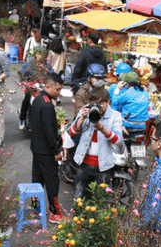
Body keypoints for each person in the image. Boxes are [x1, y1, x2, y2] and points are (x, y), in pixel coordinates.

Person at [68, 87, 124, 200]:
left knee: (100, 202)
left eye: (101, 103)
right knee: (79, 199)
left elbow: (118, 140)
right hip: (83, 164)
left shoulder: (115, 116)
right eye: (95, 103)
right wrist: (82, 117)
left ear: (108, 102)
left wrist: (102, 128)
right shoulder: (86, 111)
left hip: (103, 167)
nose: (98, 107)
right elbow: (72, 133)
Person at [30, 73, 64, 223]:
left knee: (37, 178)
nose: (59, 93)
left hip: (36, 147)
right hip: (46, 150)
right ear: (48, 86)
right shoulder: (48, 105)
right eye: (57, 90)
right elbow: (50, 131)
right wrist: (56, 151)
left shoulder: (38, 99)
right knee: (52, 180)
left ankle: (35, 209)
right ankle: (55, 213)